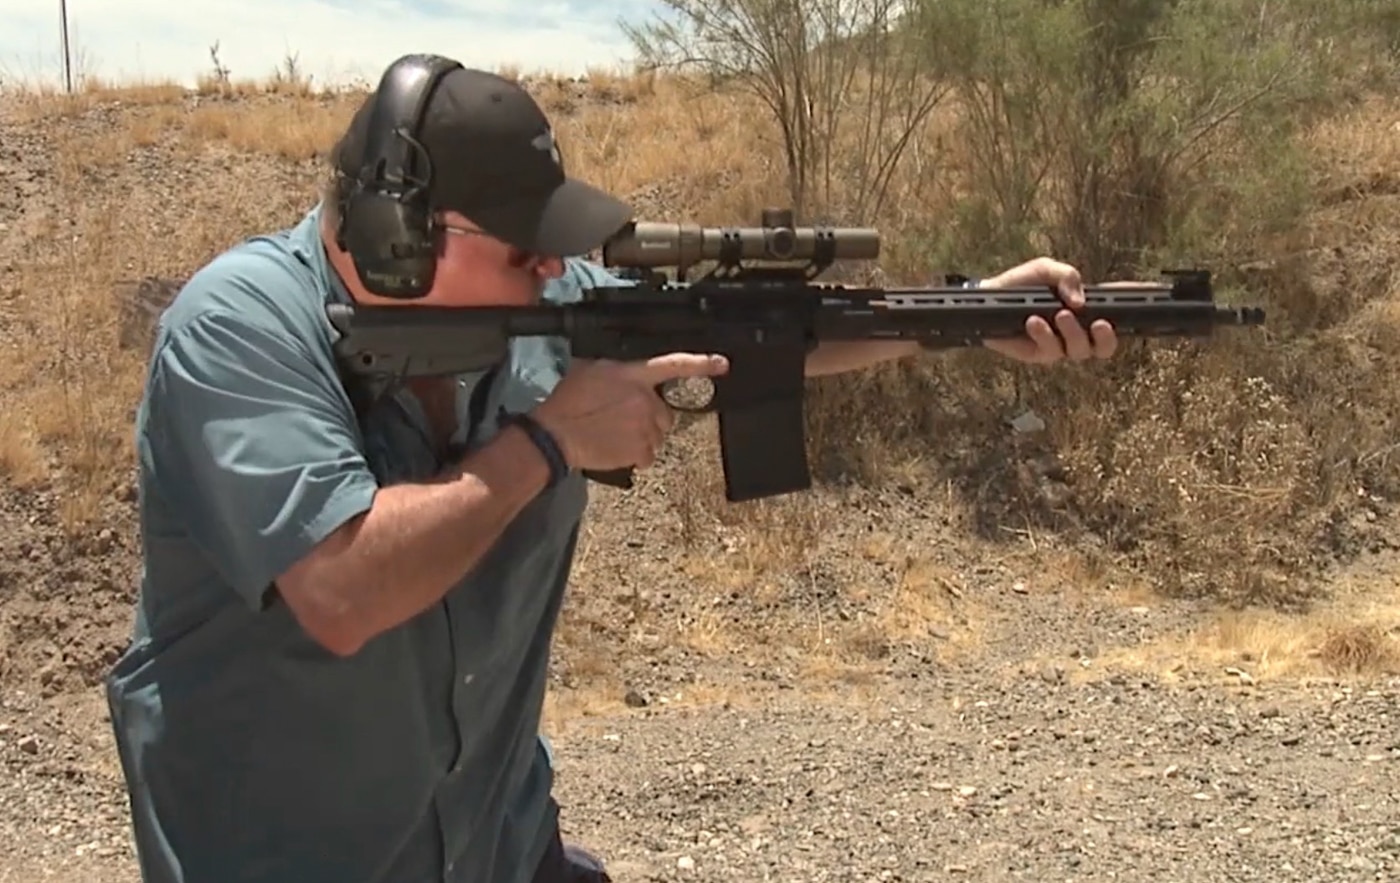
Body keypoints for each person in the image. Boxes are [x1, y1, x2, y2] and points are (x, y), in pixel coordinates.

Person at [103, 53, 1119, 883]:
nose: (555, 268)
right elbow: (340, 590)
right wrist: (547, 442)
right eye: (524, 249)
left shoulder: (545, 308)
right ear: (397, 238)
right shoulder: (237, 329)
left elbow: (757, 338)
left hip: (496, 844)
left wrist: (966, 317)